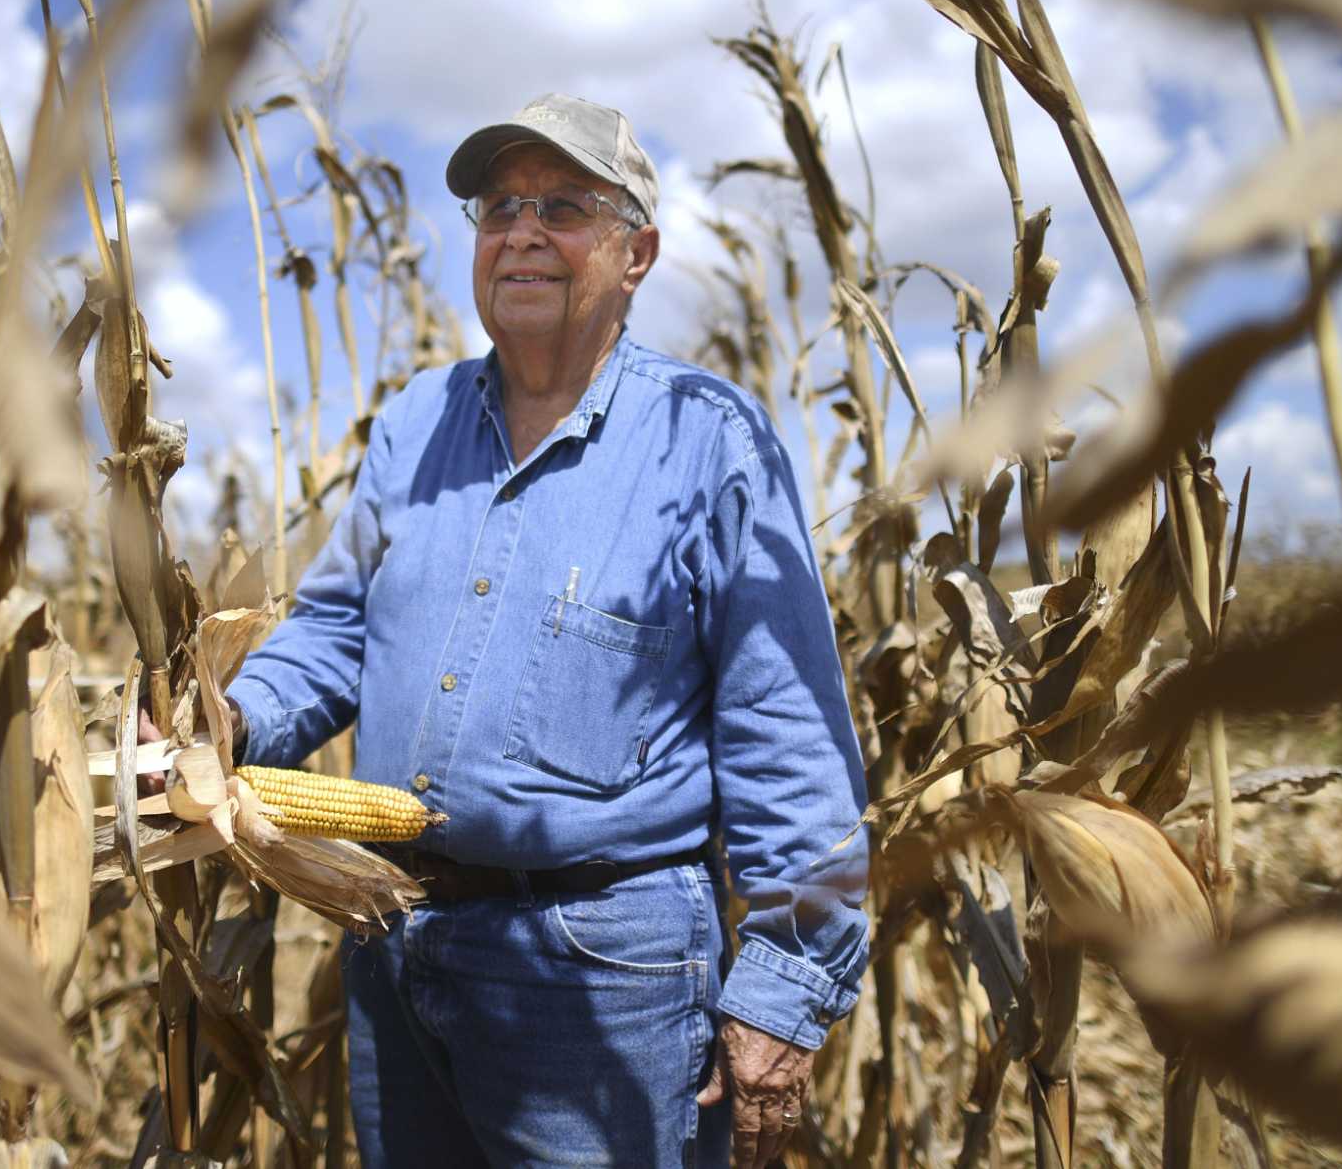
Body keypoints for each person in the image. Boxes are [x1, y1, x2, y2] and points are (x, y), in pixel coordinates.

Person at [224, 93, 870, 1168]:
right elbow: (336, 629)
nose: (520, 231)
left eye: (562, 206)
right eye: (496, 208)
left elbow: (783, 723)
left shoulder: (707, 443)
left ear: (636, 253)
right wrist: (232, 719)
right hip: (393, 932)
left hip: (598, 972)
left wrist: (784, 987)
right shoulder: (410, 424)